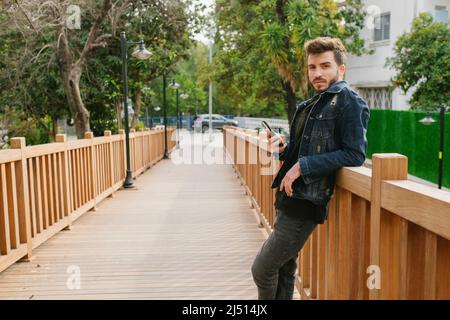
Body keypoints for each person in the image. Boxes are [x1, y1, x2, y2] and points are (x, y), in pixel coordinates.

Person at [251, 37, 370, 300]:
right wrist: (284, 148)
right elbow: (305, 148)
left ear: (340, 69)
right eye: (312, 67)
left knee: (262, 269)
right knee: (283, 268)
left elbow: (355, 154)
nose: (317, 73)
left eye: (325, 66)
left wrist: (304, 167)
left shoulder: (350, 102)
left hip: (305, 204)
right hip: (288, 198)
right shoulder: (314, 103)